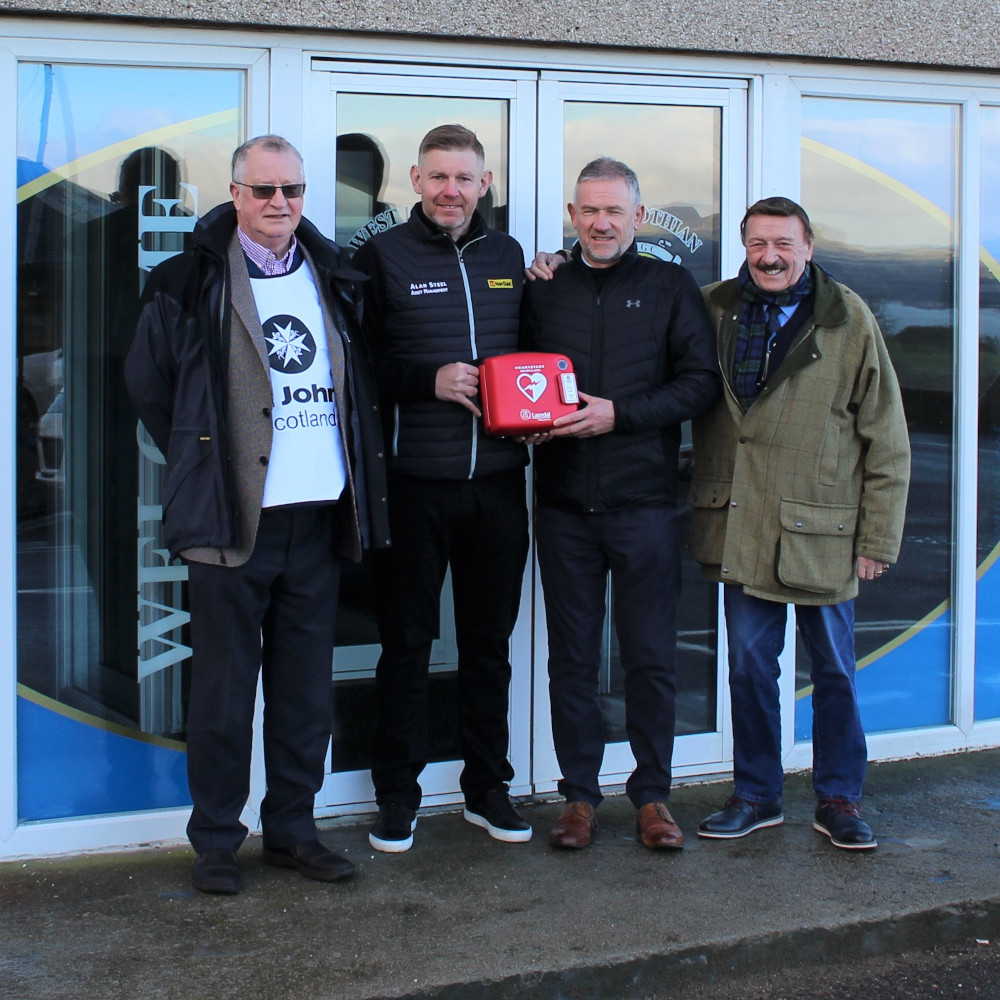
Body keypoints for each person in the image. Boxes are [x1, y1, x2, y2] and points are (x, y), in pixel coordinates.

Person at [125, 135, 390, 893]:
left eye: (293, 191)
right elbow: (151, 388)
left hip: (316, 516)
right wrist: (206, 455)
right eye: (265, 190)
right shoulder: (187, 277)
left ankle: (293, 831)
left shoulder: (337, 274)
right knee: (222, 691)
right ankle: (215, 839)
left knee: (304, 691)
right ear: (236, 193)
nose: (281, 204)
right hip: (232, 521)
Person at [690, 196, 910, 851]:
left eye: (783, 243)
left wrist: (878, 539)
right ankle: (756, 795)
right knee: (750, 671)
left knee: (835, 671)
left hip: (824, 534)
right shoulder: (712, 309)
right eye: (758, 244)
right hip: (741, 525)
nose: (771, 256)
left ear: (808, 246)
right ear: (744, 247)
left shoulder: (848, 319)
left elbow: (887, 438)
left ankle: (840, 798)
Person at [522, 157, 720, 850]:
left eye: (615, 211)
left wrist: (621, 415)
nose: (602, 222)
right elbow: (516, 376)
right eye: (589, 211)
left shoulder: (669, 286)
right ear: (572, 217)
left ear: (638, 216)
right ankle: (578, 797)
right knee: (571, 659)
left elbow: (700, 384)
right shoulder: (544, 288)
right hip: (563, 505)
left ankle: (652, 798)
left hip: (643, 505)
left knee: (649, 658)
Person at [352, 124, 531, 852]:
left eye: (464, 178)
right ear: (416, 183)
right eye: (438, 177)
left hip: (496, 485)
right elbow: (357, 366)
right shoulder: (380, 257)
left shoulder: (511, 256)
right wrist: (426, 381)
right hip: (414, 485)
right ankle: (398, 795)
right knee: (407, 645)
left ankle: (488, 788)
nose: (451, 191)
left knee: (490, 646)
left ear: (484, 184)